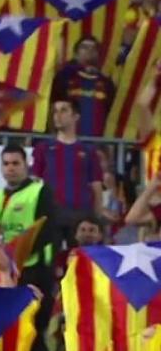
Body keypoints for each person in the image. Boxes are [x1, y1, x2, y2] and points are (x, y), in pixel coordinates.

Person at [0, 144, 58, 351]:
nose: (10, 168)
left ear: (26, 165)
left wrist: (16, 256)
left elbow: (47, 231)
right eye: (6, 164)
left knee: (29, 329)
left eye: (16, 163)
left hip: (31, 271)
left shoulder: (39, 191)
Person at [32, 99, 104, 245]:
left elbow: (97, 188)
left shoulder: (88, 151)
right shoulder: (43, 149)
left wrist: (96, 219)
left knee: (79, 261)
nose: (57, 115)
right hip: (51, 214)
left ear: (76, 116)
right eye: (55, 111)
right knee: (52, 262)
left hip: (81, 217)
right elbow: (33, 184)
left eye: (64, 110)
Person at [50, 37, 115, 137]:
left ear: (98, 55)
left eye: (93, 48)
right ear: (76, 54)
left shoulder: (106, 83)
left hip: (97, 143)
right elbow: (53, 107)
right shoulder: (64, 77)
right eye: (84, 47)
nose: (89, 51)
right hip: (68, 141)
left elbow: (111, 115)